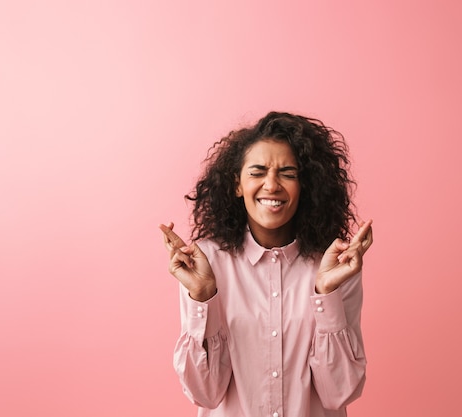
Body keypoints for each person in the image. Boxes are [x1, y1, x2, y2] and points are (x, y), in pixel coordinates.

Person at [160, 111, 373, 417]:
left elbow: (338, 393)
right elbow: (204, 394)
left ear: (305, 186)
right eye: (258, 172)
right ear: (237, 185)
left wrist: (325, 291)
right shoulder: (205, 264)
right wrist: (204, 295)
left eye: (288, 173)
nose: (271, 185)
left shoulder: (335, 266)